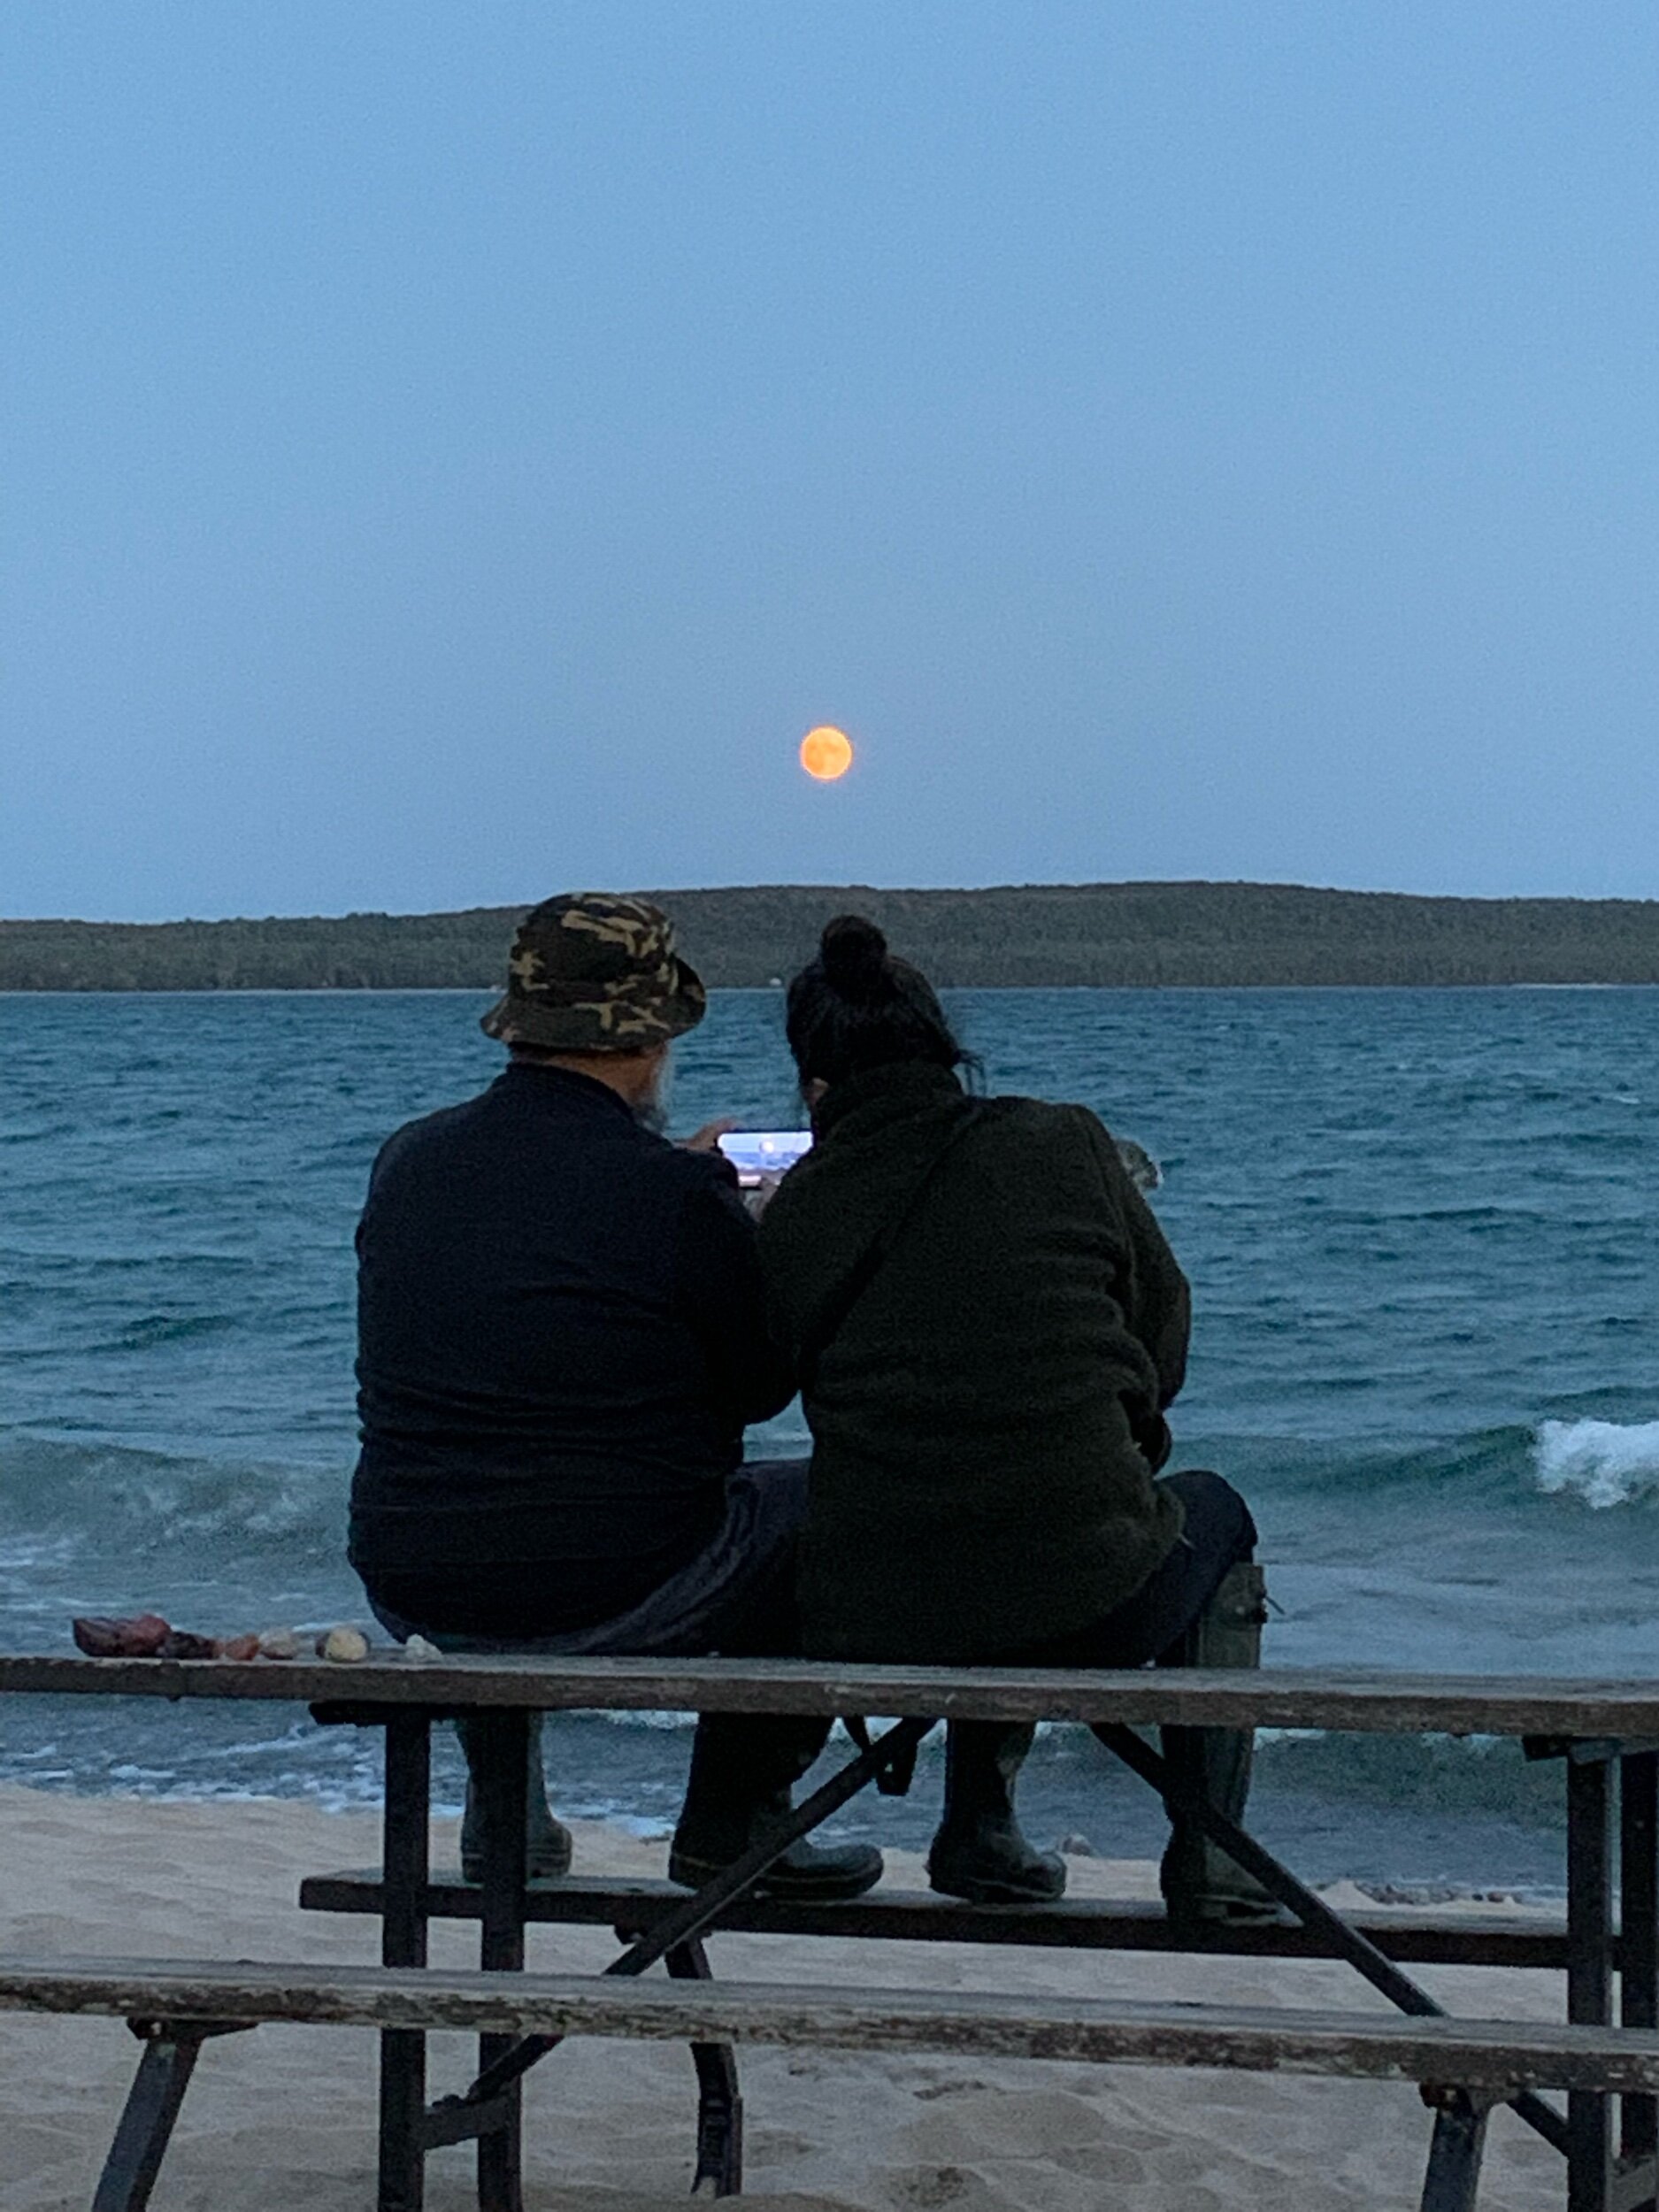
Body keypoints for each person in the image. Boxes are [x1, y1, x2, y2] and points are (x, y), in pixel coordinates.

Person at [349, 892, 879, 1901]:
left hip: (411, 1569)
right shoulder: (674, 1196)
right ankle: (734, 1814)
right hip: (614, 1581)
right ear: (651, 1039)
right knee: (828, 1500)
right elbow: (764, 1385)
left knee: (493, 1488)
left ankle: (504, 1804)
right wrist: (750, 1234)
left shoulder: (410, 1160)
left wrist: (684, 1199)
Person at [756, 914, 1271, 1922]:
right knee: (1207, 1512)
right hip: (1091, 1597)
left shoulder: (805, 1206)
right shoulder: (1064, 1139)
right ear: (947, 1053)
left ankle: (982, 1824)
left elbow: (754, 1385)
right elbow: (1163, 1349)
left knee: (953, 1508)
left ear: (816, 1089)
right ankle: (1211, 1860)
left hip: (880, 1611)